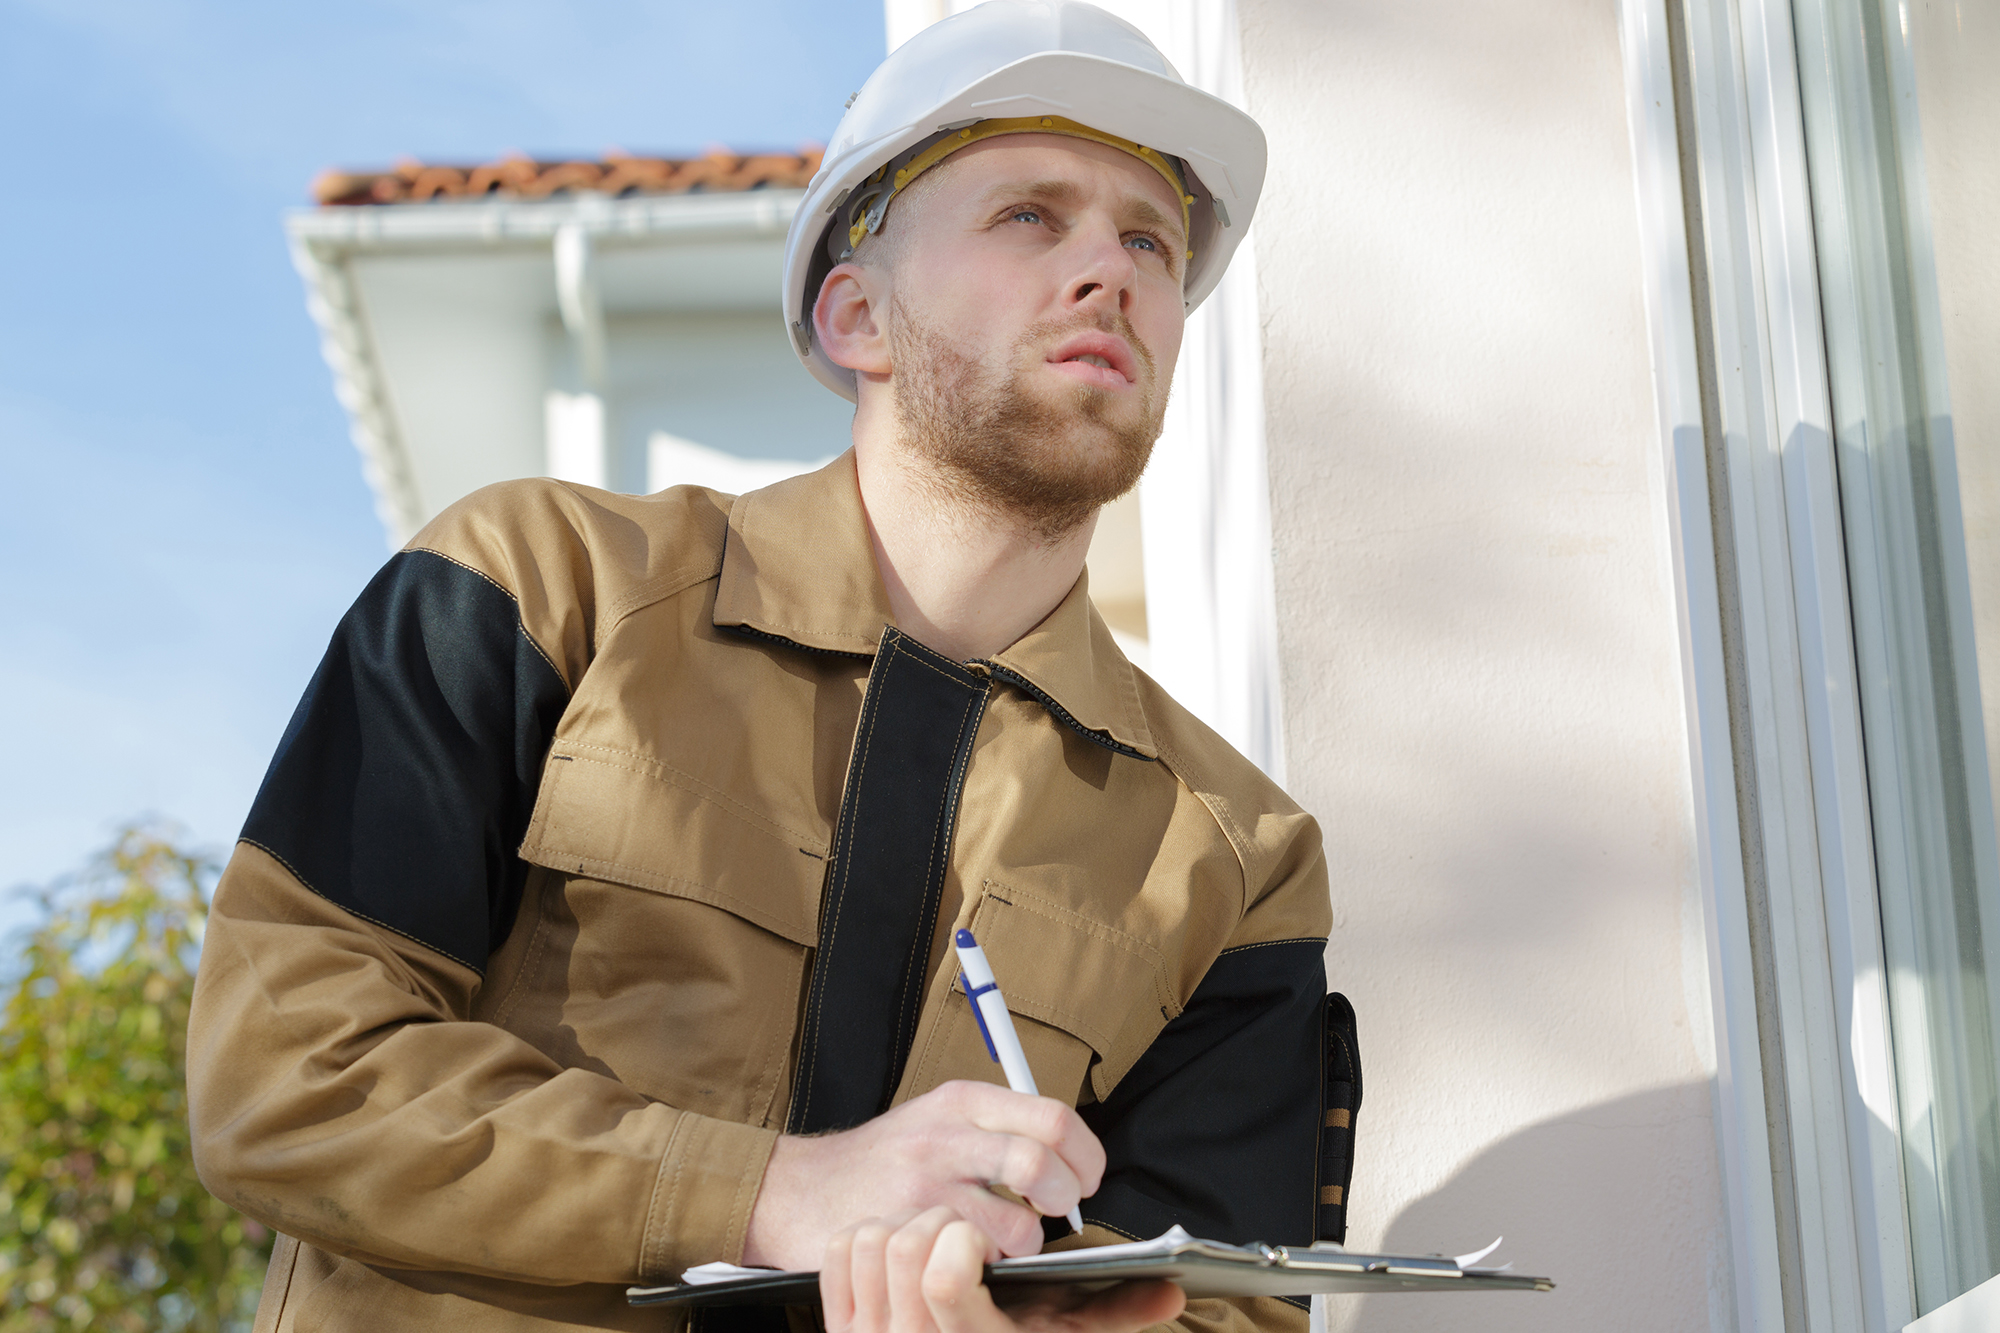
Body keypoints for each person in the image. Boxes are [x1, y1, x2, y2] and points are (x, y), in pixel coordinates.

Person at [186, 5, 1350, 1332]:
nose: (1113, 268)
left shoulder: (1235, 854)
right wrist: (776, 1191)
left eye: (1151, 237)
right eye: (1031, 215)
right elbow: (287, 1074)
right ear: (857, 313)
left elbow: (1220, 1313)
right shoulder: (535, 588)